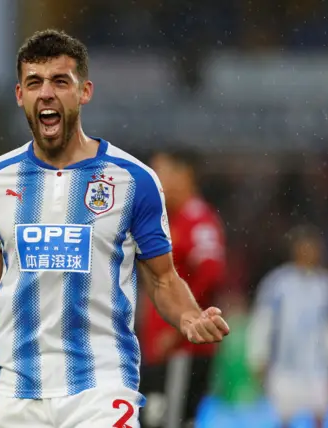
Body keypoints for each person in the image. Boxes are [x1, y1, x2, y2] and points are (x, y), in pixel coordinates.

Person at [0, 29, 229, 428]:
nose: (47, 93)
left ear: (85, 92)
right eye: (34, 82)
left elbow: (163, 279)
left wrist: (188, 317)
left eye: (61, 81)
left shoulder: (134, 180)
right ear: (19, 95)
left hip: (101, 388)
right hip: (16, 394)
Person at [137, 150, 227, 428]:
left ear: (184, 174)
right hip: (161, 350)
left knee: (170, 421)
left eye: (160, 173)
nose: (156, 182)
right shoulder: (169, 220)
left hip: (183, 351)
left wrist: (181, 326)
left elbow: (211, 273)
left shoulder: (197, 219)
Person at [246, 224, 328, 428]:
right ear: (295, 250)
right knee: (283, 419)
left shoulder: (327, 285)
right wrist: (258, 356)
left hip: (317, 366)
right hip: (285, 366)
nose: (310, 253)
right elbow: (263, 322)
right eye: (305, 247)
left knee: (320, 417)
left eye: (314, 248)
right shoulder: (277, 283)